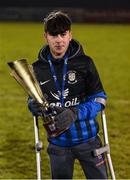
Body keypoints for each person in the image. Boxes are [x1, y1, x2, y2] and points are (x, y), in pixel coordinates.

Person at [28, 10, 108, 179]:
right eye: (53, 35)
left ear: (70, 35)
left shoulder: (85, 63)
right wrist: (32, 105)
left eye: (63, 34)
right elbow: (32, 99)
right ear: (46, 37)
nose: (59, 40)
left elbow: (100, 99)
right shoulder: (37, 69)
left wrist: (75, 112)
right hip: (58, 144)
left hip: (89, 140)